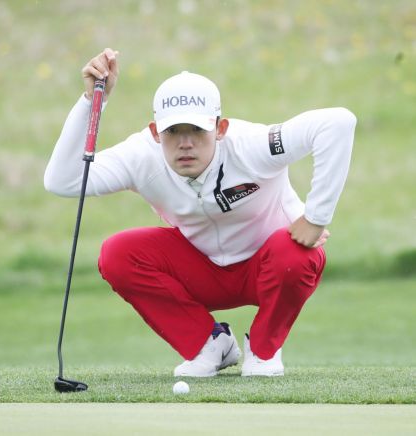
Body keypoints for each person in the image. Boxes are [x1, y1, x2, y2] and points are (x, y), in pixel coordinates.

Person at [44, 48, 357, 377]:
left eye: (196, 130)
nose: (185, 143)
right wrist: (92, 102)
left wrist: (316, 217)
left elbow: (337, 123)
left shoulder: (253, 144)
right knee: (118, 254)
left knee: (297, 254)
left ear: (220, 128)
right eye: (173, 131)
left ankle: (263, 350)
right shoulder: (141, 156)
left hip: (269, 267)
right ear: (155, 132)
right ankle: (209, 345)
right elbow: (62, 180)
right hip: (201, 271)